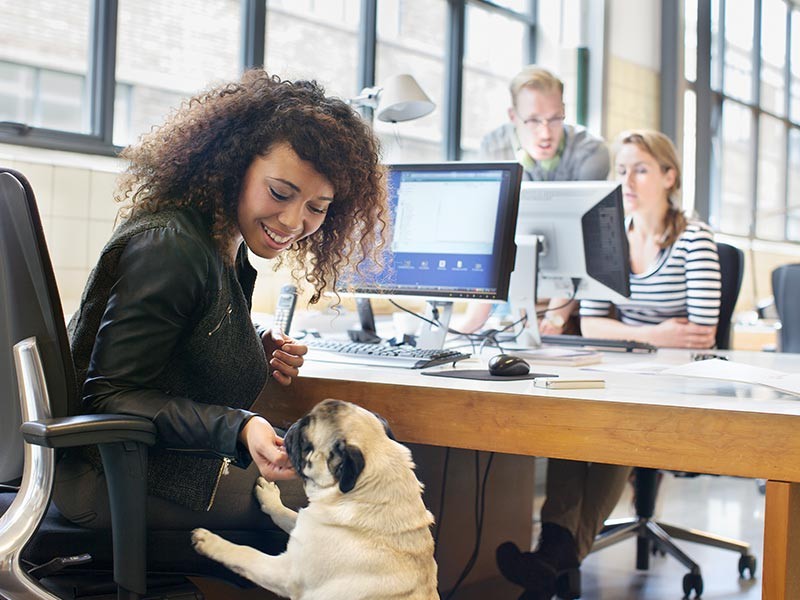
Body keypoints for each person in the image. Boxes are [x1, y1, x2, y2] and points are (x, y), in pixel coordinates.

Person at [55, 70, 388, 532]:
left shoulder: (220, 243)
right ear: (235, 166)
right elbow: (112, 397)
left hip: (149, 468)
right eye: (280, 193)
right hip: (108, 480)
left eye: (318, 207)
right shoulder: (172, 247)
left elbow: (179, 336)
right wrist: (240, 426)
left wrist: (249, 345)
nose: (294, 220)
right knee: (372, 489)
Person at [495, 129, 721, 599]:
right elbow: (594, 322)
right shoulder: (608, 234)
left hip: (679, 376)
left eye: (640, 169)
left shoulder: (695, 239)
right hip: (626, 363)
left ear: (669, 176)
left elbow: (702, 332)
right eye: (621, 171)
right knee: (573, 413)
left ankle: (554, 553)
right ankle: (556, 553)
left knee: (618, 421)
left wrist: (631, 333)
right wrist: (656, 333)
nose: (628, 180)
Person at [459, 65, 609, 335]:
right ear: (513, 116)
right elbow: (489, 234)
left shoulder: (591, 151)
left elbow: (581, 242)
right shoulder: (494, 148)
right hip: (510, 289)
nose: (545, 133)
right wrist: (470, 322)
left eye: (555, 119)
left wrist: (556, 318)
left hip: (568, 298)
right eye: (533, 120)